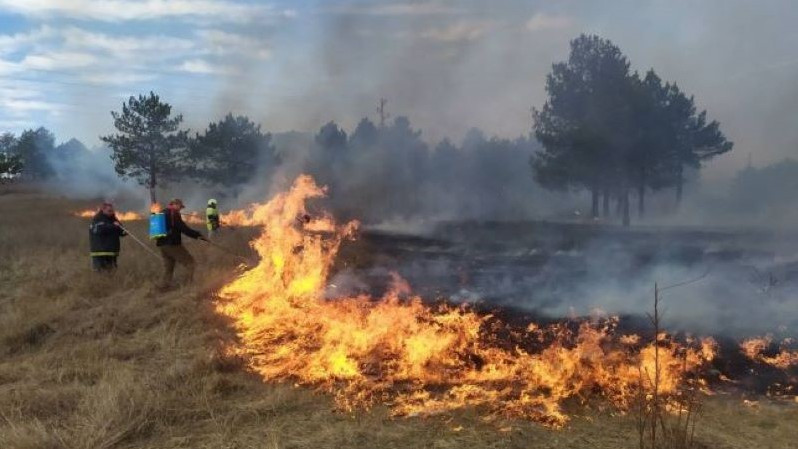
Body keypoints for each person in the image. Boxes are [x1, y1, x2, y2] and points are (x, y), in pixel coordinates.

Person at [155, 198, 206, 289]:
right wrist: (198, 235)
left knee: (169, 268)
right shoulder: (173, 214)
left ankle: (163, 287)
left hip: (162, 245)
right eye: (179, 206)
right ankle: (187, 286)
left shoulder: (163, 212)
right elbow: (184, 229)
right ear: (175, 204)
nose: (180, 209)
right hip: (172, 244)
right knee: (190, 263)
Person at [89, 202, 126, 272]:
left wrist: (123, 231)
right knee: (100, 273)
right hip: (100, 252)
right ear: (103, 210)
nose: (111, 213)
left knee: (112, 272)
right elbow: (99, 229)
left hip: (112, 252)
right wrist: (114, 226)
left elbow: (120, 231)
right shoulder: (97, 219)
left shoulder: (114, 219)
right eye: (109, 211)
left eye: (112, 211)